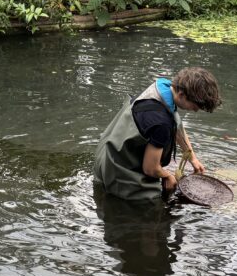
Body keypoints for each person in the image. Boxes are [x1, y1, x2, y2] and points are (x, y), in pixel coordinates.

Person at [93, 67, 221, 202]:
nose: (196, 110)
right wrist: (168, 176)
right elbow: (150, 169)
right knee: (154, 206)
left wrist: (192, 158)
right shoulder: (161, 123)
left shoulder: (163, 88)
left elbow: (177, 125)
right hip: (116, 170)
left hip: (105, 154)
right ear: (182, 95)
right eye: (196, 106)